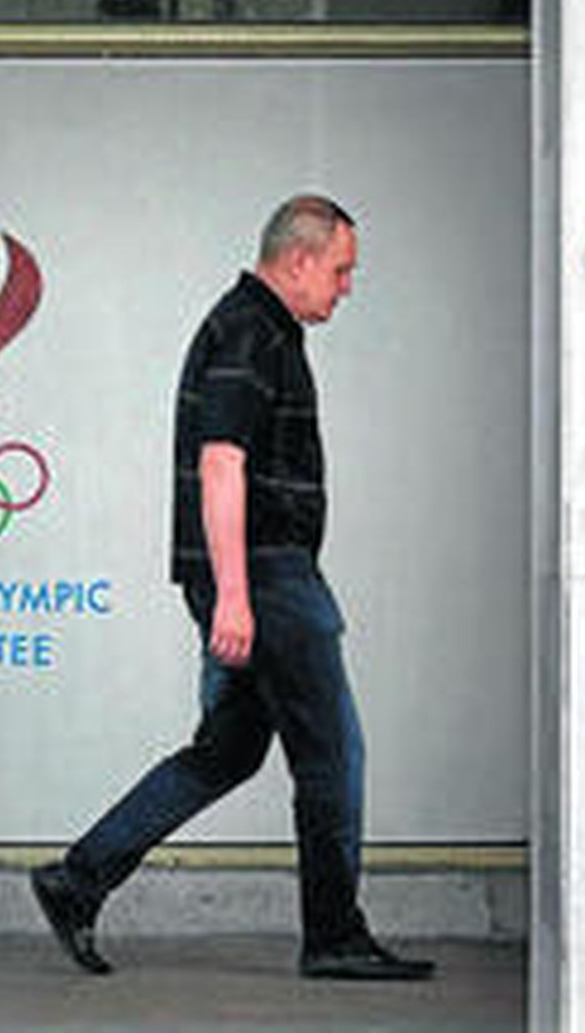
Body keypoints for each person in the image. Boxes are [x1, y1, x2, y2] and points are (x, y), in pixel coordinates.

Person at [31, 194, 434, 982]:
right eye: (341, 270)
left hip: (256, 576)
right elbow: (222, 463)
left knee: (228, 751)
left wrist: (228, 588)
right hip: (268, 577)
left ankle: (78, 879)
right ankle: (334, 936)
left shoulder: (258, 327)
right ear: (299, 260)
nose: (347, 287)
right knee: (332, 752)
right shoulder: (252, 332)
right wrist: (236, 594)